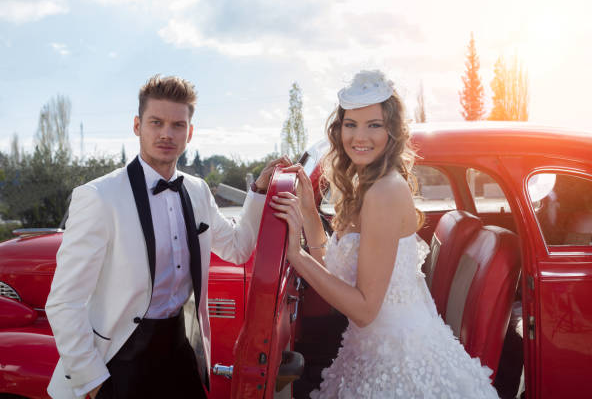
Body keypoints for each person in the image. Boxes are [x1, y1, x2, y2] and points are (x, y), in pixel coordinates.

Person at [45, 74, 291, 399]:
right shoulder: (98, 197)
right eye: (156, 122)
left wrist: (258, 192)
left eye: (177, 125)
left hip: (179, 348)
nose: (166, 133)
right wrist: (92, 383)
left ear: (189, 133)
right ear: (137, 125)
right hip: (119, 358)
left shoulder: (198, 190)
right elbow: (64, 301)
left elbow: (237, 248)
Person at [271, 70, 499, 398]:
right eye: (351, 124)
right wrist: (308, 213)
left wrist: (296, 254)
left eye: (373, 125)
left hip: (401, 362)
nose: (359, 136)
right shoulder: (363, 184)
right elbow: (337, 272)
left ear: (391, 131)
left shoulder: (384, 191)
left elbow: (363, 310)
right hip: (369, 351)